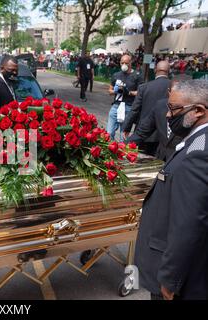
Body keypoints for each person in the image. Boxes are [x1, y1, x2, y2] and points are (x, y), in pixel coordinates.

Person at [135, 79, 208, 300]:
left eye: (174, 109)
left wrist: (170, 278)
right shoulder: (196, 142)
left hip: (180, 280)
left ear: (198, 111)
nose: (168, 116)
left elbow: (189, 222)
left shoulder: (199, 152)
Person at [123, 61, 171, 156]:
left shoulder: (144, 87)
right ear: (169, 71)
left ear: (155, 70)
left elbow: (135, 109)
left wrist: (127, 127)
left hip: (145, 134)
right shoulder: (174, 88)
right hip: (165, 134)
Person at [107, 54, 143, 142]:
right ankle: (110, 150)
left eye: (126, 63)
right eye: (122, 63)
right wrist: (116, 91)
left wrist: (129, 92)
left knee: (123, 136)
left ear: (130, 63)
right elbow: (110, 90)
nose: (124, 65)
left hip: (128, 107)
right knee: (109, 133)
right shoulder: (116, 75)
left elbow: (141, 92)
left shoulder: (137, 76)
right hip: (116, 106)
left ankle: (121, 153)